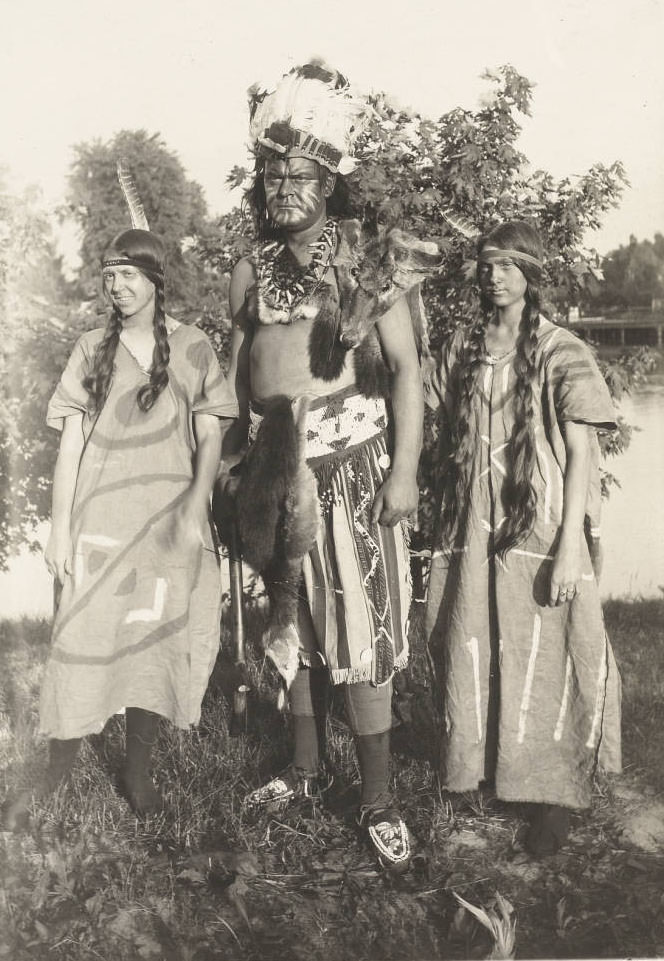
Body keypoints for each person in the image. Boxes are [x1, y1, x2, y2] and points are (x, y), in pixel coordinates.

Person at [218, 61, 437, 872]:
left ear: (328, 180)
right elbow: (242, 379)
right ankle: (305, 771)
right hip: (276, 470)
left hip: (352, 465)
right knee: (296, 626)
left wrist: (404, 471)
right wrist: (233, 467)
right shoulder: (247, 266)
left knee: (361, 632)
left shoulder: (362, 261)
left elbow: (407, 369)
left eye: (298, 174)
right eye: (271, 175)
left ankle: (377, 797)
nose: (283, 187)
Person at [4, 227, 237, 828]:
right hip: (99, 525)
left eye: (129, 273)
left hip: (167, 526)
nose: (117, 285)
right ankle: (56, 768)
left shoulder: (194, 348)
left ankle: (136, 771)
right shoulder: (90, 348)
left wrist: (195, 506)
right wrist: (59, 530)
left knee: (150, 646)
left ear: (156, 280)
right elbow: (71, 445)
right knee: (80, 645)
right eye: (109, 274)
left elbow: (210, 435)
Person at [424, 219, 622, 856]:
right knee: (470, 635)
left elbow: (581, 451)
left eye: (508, 265)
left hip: (538, 522)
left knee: (549, 646)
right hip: (470, 521)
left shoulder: (562, 349)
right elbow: (417, 402)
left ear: (531, 274)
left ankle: (551, 793)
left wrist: (571, 543)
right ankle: (478, 767)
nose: (494, 275)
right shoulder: (462, 344)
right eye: (487, 264)